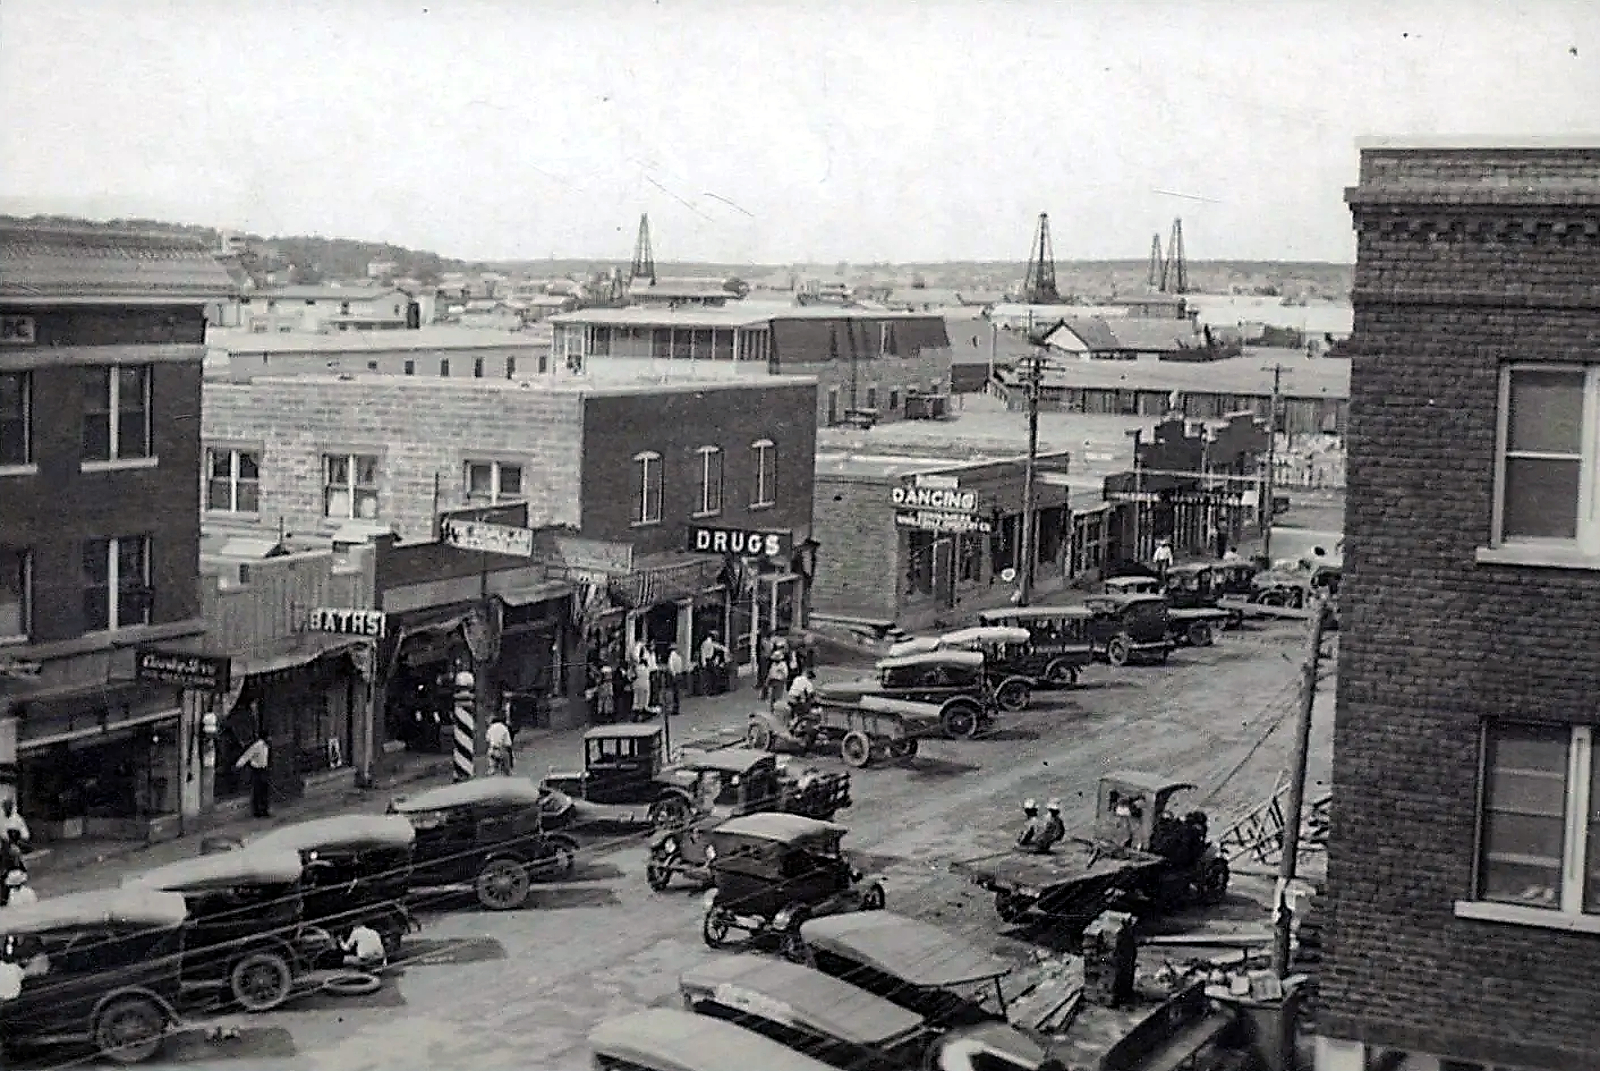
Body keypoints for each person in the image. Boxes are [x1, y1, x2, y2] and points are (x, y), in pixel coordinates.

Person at [235, 732, 272, 818]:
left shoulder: (267, 746)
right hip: (257, 770)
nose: (270, 739)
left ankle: (264, 810)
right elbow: (247, 755)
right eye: (269, 737)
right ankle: (257, 811)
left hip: (264, 769)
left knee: (264, 791)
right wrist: (238, 765)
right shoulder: (258, 745)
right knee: (257, 791)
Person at [665, 646, 685, 716]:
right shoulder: (676, 655)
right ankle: (676, 708)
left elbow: (670, 665)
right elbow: (678, 665)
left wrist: (673, 673)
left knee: (674, 692)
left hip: (675, 674)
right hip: (677, 674)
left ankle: (675, 708)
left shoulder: (673, 655)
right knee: (676, 692)